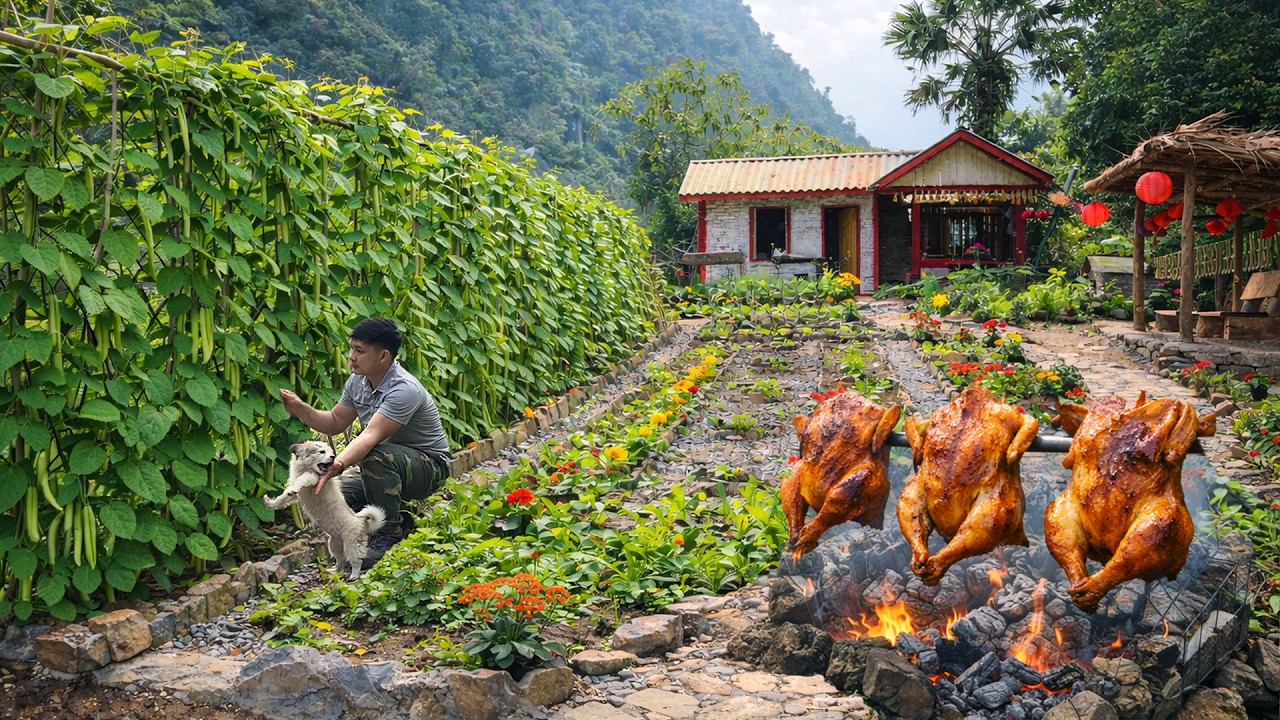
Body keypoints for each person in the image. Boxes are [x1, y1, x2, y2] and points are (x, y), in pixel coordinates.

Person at [279, 317, 451, 563]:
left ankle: (390, 533)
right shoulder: (358, 381)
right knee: (336, 495)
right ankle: (399, 516)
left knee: (374, 455)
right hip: (390, 463)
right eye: (351, 348)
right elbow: (336, 421)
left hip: (429, 467)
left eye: (359, 351)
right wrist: (300, 408)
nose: (351, 356)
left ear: (383, 356)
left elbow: (370, 437)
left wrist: (337, 465)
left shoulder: (404, 389)